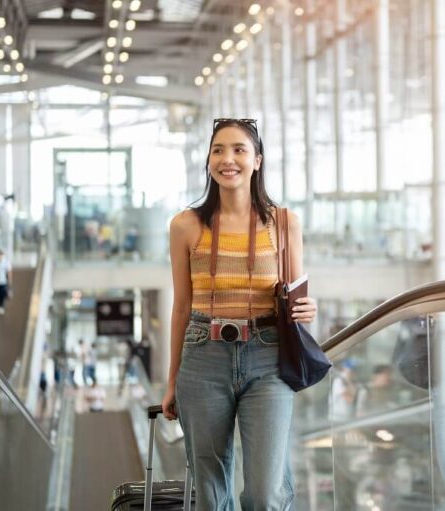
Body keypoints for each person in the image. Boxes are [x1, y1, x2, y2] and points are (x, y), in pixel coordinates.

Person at [160, 118, 317, 510]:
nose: (227, 159)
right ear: (209, 161)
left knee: (264, 493)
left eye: (239, 150)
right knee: (211, 495)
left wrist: (309, 308)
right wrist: (171, 379)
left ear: (257, 161)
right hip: (202, 356)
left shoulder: (283, 223)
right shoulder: (186, 225)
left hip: (268, 357)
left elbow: (295, 297)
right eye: (218, 150)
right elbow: (181, 307)